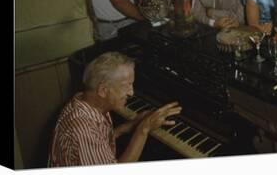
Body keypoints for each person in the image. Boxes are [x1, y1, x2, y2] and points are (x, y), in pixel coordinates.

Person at [49, 52, 182, 166]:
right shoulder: (82, 129)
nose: (131, 93)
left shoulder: (82, 101)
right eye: (127, 86)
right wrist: (143, 129)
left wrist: (128, 127)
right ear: (103, 90)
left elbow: (98, 139)